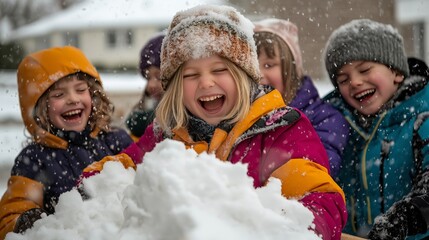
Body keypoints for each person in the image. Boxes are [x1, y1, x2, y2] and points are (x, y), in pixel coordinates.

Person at [80, 5, 347, 239]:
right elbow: (121, 170)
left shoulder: (279, 129)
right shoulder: (168, 135)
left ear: (245, 77)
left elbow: (318, 195)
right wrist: (88, 189)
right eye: (190, 75)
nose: (206, 82)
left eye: (220, 70)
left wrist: (304, 227)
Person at [0, 46, 133, 238]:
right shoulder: (35, 159)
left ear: (93, 95)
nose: (72, 99)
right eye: (58, 95)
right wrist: (22, 221)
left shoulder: (117, 141)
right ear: (40, 109)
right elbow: (12, 211)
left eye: (80, 89)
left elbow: (147, 180)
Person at [323, 19, 429, 239]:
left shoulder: (422, 118)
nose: (355, 82)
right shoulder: (335, 126)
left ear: (397, 73)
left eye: (365, 69)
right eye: (343, 79)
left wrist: (405, 218)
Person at [253, 18, 349, 177]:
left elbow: (317, 170)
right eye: (251, 67)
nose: (258, 75)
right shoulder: (236, 117)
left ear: (291, 71)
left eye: (269, 65)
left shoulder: (324, 118)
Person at [126, 33, 165, 141]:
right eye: (148, 78)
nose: (151, 85)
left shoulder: (176, 117)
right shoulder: (148, 109)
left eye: (159, 77)